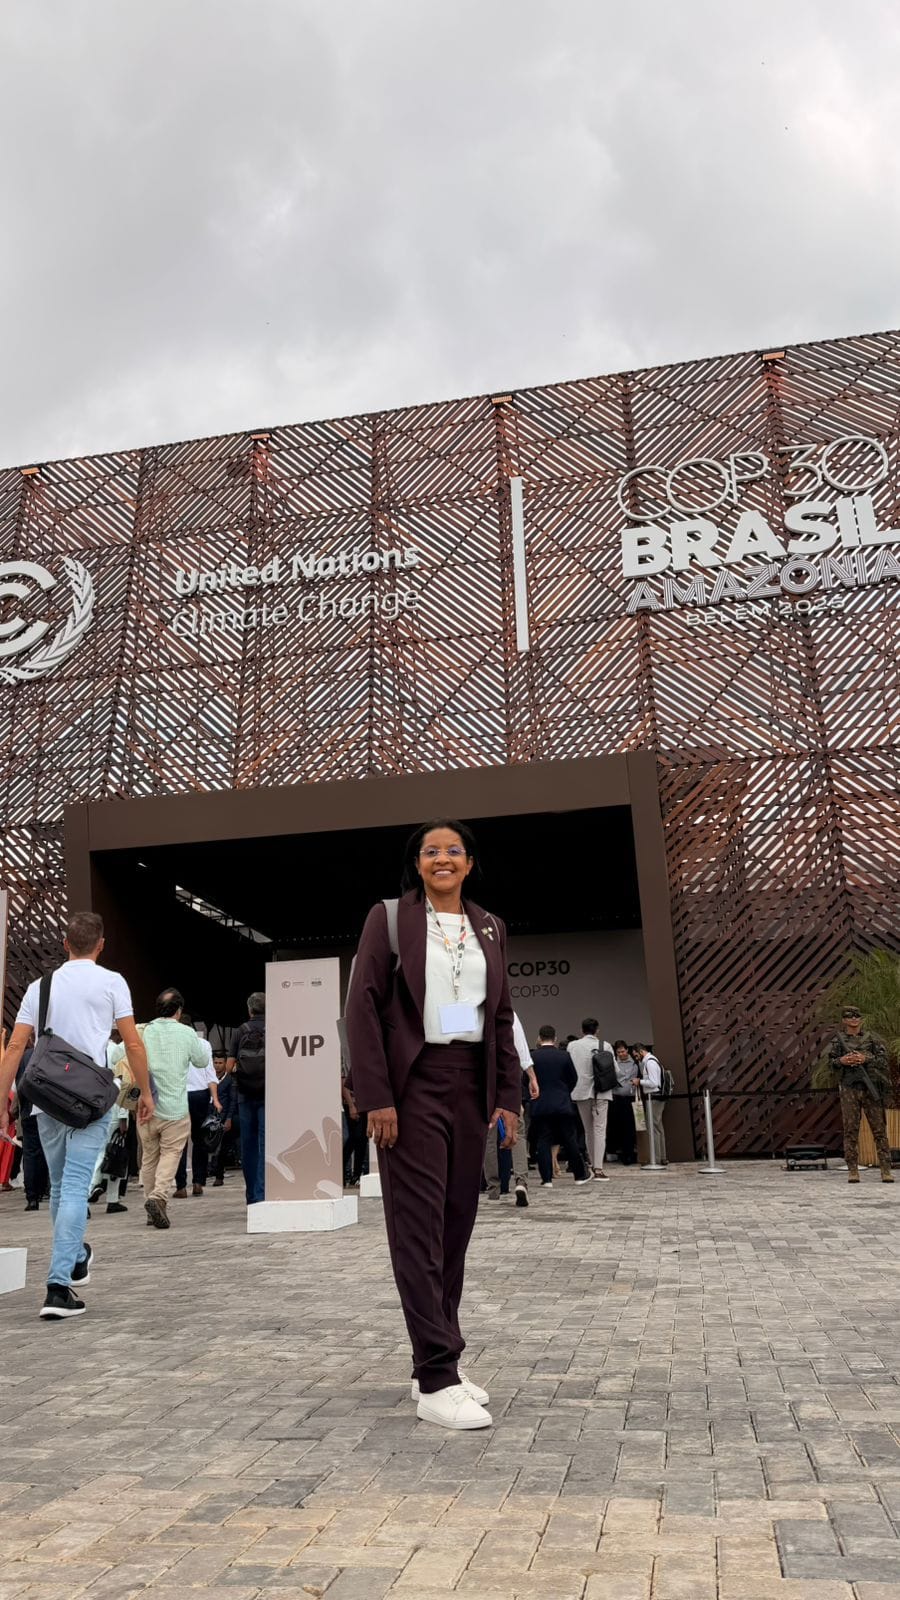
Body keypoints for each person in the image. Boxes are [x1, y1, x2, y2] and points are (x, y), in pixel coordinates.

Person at [345, 818, 522, 1431]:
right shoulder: (389, 918)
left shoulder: (491, 926)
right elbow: (360, 1008)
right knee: (417, 1229)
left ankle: (438, 1355)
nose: (442, 858)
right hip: (412, 1085)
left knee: (454, 1226)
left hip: (470, 1084)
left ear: (470, 862)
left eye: (453, 850)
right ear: (417, 863)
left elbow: (499, 1017)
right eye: (431, 851)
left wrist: (506, 1097)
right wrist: (376, 1097)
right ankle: (437, 1375)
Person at [0, 911, 153, 1320]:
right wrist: (146, 1092)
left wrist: (2, 1100)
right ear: (100, 945)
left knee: (60, 1186)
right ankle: (57, 1287)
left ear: (65, 944)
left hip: (45, 1098)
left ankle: (76, 1256)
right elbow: (133, 1044)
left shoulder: (40, 986)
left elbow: (15, 1047)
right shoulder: (112, 982)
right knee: (73, 1187)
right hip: (89, 1100)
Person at [117, 987, 209, 1229]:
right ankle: (158, 1198)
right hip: (175, 1107)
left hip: (145, 1107)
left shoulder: (141, 1030)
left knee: (149, 1158)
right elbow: (202, 1060)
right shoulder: (187, 1033)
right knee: (171, 1154)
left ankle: (152, 1207)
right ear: (179, 1011)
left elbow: (116, 1053)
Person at [826, 1006, 894, 1183]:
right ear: (844, 1021)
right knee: (851, 1130)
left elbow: (883, 1061)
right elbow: (831, 1064)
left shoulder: (871, 1039)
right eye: (850, 1017)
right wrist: (842, 1060)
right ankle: (853, 1170)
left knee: (879, 1130)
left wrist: (865, 1058)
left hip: (871, 1088)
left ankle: (886, 1169)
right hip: (850, 1088)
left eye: (857, 1016)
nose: (855, 1019)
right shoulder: (838, 1041)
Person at [483, 1012, 535, 1207]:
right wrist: (531, 1075)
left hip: (483, 1078)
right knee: (518, 1130)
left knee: (489, 1133)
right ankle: (521, 1181)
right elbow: (519, 1046)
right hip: (507, 1077)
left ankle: (493, 1187)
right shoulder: (508, 1013)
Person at [530, 1025, 591, 1188]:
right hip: (562, 1103)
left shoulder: (533, 1057)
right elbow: (573, 1078)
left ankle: (547, 1179)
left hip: (540, 1103)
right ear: (555, 1038)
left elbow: (526, 1080)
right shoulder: (563, 1056)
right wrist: (564, 1092)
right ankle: (579, 1175)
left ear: (539, 1038)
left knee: (543, 1140)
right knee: (569, 1139)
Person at [227, 992, 267, 1205]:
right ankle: (263, 1193)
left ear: (249, 1010)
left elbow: (229, 1065)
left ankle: (252, 1195)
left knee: (248, 1145)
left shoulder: (240, 1031)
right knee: (265, 1143)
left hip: (244, 1093)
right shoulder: (274, 1029)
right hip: (268, 1093)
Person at [174, 1026, 221, 1197]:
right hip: (201, 1094)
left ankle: (180, 1186)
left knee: (179, 1140)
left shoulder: (175, 1043)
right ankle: (198, 1182)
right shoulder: (203, 1044)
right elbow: (210, 1074)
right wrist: (215, 1099)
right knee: (200, 1139)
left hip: (179, 1093)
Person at [568, 1018, 613, 1180]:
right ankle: (599, 1168)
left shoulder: (572, 1046)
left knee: (588, 1130)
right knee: (600, 1130)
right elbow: (614, 1069)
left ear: (582, 1030)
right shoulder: (605, 1046)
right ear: (597, 1030)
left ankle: (593, 1164)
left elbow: (569, 1067)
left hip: (580, 1091)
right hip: (601, 1091)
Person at [632, 1042, 667, 1165]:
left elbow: (654, 1083)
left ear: (641, 1052)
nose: (636, 1058)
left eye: (636, 1055)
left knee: (654, 1128)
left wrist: (639, 1081)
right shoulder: (651, 1061)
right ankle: (662, 1157)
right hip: (656, 1098)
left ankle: (656, 1159)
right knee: (658, 1127)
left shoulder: (650, 1062)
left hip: (654, 1098)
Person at [607, 1040, 638, 1165]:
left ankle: (629, 1154)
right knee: (616, 1127)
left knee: (629, 1127)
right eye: (618, 1052)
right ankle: (617, 1153)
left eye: (623, 1051)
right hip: (616, 1098)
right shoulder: (613, 1064)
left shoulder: (635, 1063)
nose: (621, 1054)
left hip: (630, 1099)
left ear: (627, 1050)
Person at [210, 1051, 238, 1186]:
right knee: (206, 1146)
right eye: (215, 1062)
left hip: (223, 1117)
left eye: (220, 1063)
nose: (217, 1066)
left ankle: (219, 1176)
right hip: (209, 1117)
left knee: (221, 1148)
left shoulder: (230, 1081)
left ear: (225, 1063)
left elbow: (233, 1101)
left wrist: (229, 1118)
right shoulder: (208, 1078)